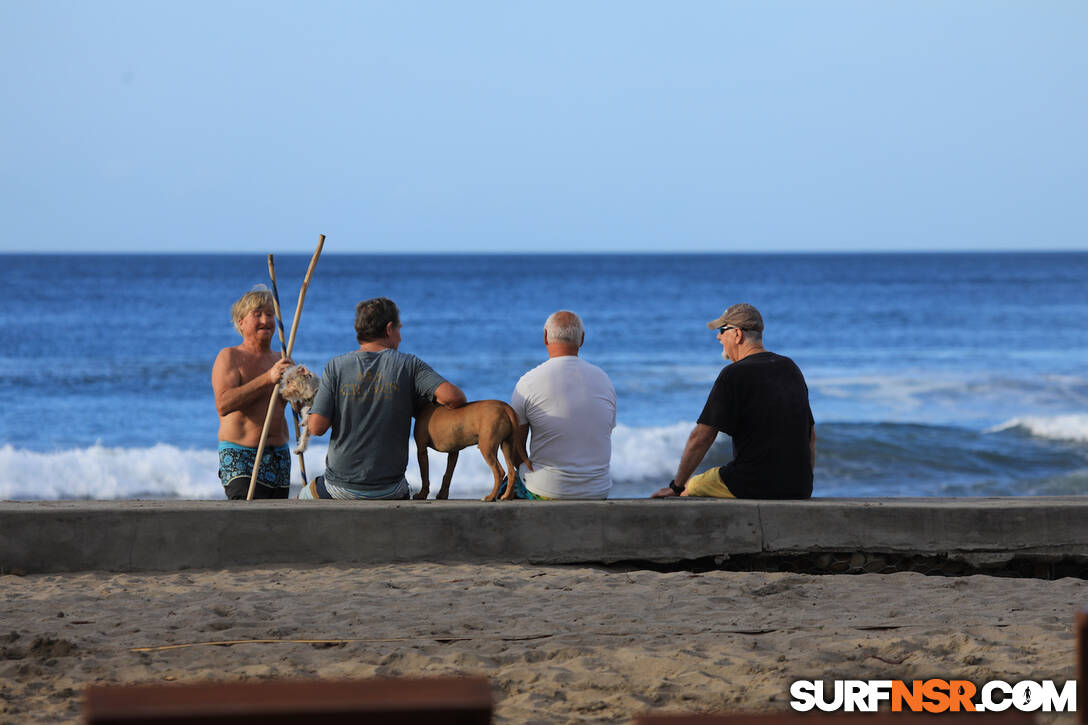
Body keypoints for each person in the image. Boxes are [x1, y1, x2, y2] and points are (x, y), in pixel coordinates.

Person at [302, 297, 466, 499]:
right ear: (389, 329)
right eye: (399, 330)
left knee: (300, 497)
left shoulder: (335, 367)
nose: (401, 338)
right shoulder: (409, 365)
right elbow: (454, 397)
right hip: (391, 489)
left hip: (339, 488)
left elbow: (316, 428)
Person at [651, 303, 814, 500]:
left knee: (692, 486)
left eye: (722, 330)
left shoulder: (733, 374)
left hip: (751, 485)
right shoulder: (791, 368)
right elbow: (810, 434)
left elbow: (702, 437)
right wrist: (803, 481)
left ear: (737, 334)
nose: (718, 337)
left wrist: (675, 487)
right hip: (800, 487)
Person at [506, 310, 617, 499]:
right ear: (582, 339)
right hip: (598, 491)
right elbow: (601, 433)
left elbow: (515, 449)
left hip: (547, 491)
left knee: (504, 489)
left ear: (545, 338)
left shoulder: (528, 382)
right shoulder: (604, 380)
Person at [212, 286, 294, 500]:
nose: (265, 320)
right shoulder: (230, 357)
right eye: (257, 314)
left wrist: (301, 388)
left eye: (269, 314)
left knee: (276, 527)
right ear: (241, 322)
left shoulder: (281, 359)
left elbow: (296, 407)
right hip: (241, 457)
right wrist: (268, 378)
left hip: (279, 457)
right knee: (249, 525)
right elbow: (223, 404)